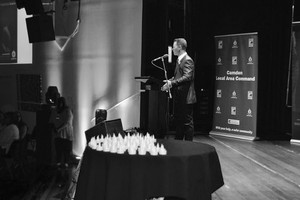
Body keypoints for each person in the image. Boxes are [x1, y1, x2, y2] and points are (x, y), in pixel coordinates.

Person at [161, 38, 197, 141]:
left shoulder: (188, 60)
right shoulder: (179, 60)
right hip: (180, 97)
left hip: (186, 97)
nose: (172, 49)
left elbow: (187, 77)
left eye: (174, 46)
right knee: (179, 122)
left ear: (180, 47)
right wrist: (169, 81)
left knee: (187, 123)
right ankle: (179, 144)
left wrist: (172, 83)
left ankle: (188, 146)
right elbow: (178, 76)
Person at [53, 97, 74, 168]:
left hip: (67, 135)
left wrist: (58, 129)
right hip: (58, 135)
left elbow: (67, 122)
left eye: (61, 103)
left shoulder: (67, 111)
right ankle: (59, 165)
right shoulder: (56, 111)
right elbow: (53, 120)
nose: (59, 104)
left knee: (66, 152)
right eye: (58, 103)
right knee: (58, 151)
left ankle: (66, 165)